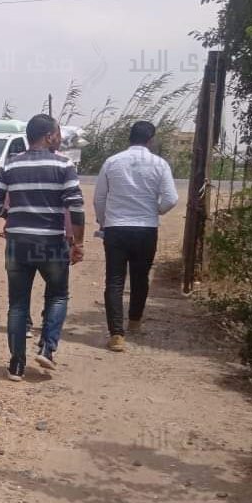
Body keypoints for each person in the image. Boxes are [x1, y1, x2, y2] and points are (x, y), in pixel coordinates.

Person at [0, 114, 85, 381]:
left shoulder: (10, 164)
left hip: (18, 243)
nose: (60, 138)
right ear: (49, 136)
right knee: (58, 296)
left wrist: (14, 216)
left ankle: (16, 365)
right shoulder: (64, 164)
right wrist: (78, 243)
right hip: (52, 243)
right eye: (58, 134)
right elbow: (76, 206)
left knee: (18, 304)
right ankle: (47, 349)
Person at [94, 120, 179, 352]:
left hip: (116, 228)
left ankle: (116, 334)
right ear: (150, 140)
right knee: (140, 278)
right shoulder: (159, 164)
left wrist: (103, 221)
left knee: (114, 280)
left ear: (129, 138)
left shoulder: (112, 162)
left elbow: (99, 198)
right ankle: (134, 321)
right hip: (146, 228)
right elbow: (171, 198)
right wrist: (156, 210)